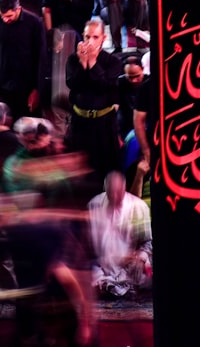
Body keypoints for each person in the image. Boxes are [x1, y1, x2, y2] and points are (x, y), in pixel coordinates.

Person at [66, 18, 123, 185]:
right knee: (81, 170)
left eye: (95, 37)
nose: (90, 41)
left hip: (104, 123)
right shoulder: (73, 60)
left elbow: (104, 87)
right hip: (80, 121)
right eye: (87, 37)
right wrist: (83, 64)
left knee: (106, 169)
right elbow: (73, 85)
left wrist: (91, 62)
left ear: (103, 38)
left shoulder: (113, 62)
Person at [88, 170, 151, 298]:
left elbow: (148, 242)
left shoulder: (138, 207)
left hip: (130, 269)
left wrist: (140, 257)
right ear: (105, 189)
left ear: (124, 189)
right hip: (102, 268)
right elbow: (88, 248)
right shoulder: (94, 205)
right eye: (111, 193)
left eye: (118, 193)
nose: (115, 197)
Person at [0, 0, 45, 120]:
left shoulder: (34, 23)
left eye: (9, 16)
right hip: (3, 84)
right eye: (2, 16)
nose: (5, 20)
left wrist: (37, 89)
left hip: (27, 87)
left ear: (18, 9)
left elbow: (41, 58)